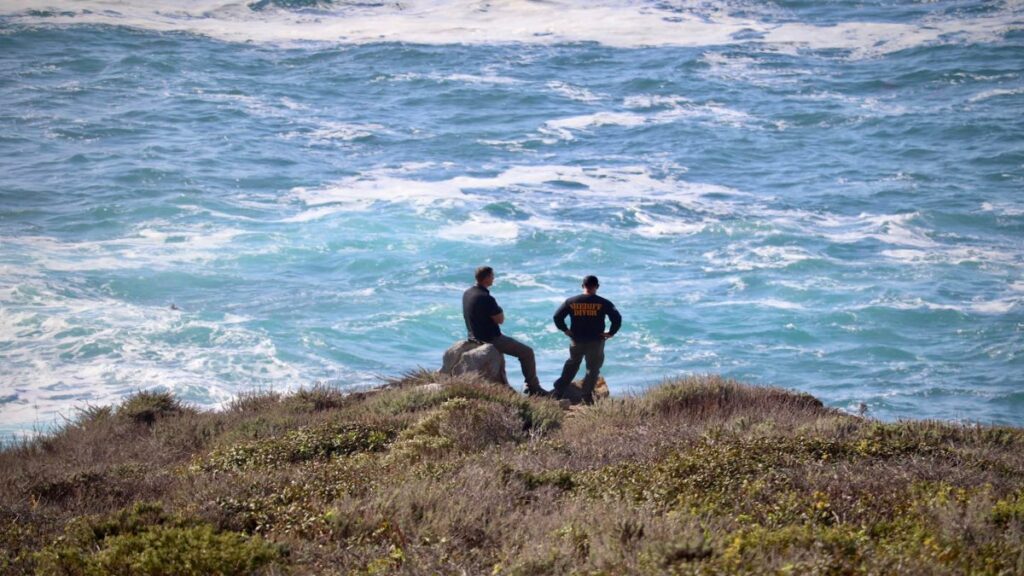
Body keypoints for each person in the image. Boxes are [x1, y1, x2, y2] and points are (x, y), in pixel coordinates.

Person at [463, 266, 551, 397]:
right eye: (492, 276)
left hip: (473, 336)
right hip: (490, 338)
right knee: (527, 352)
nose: (493, 278)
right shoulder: (486, 298)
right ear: (486, 278)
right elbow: (500, 319)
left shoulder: (468, 293)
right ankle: (534, 388)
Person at [552, 275, 622, 404]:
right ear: (597, 287)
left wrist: (565, 329)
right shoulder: (603, 302)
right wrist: (611, 333)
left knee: (573, 363)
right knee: (593, 369)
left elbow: (557, 316)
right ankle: (586, 395)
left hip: (576, 340)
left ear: (582, 286)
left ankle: (559, 389)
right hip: (596, 341)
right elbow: (617, 318)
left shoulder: (571, 301)